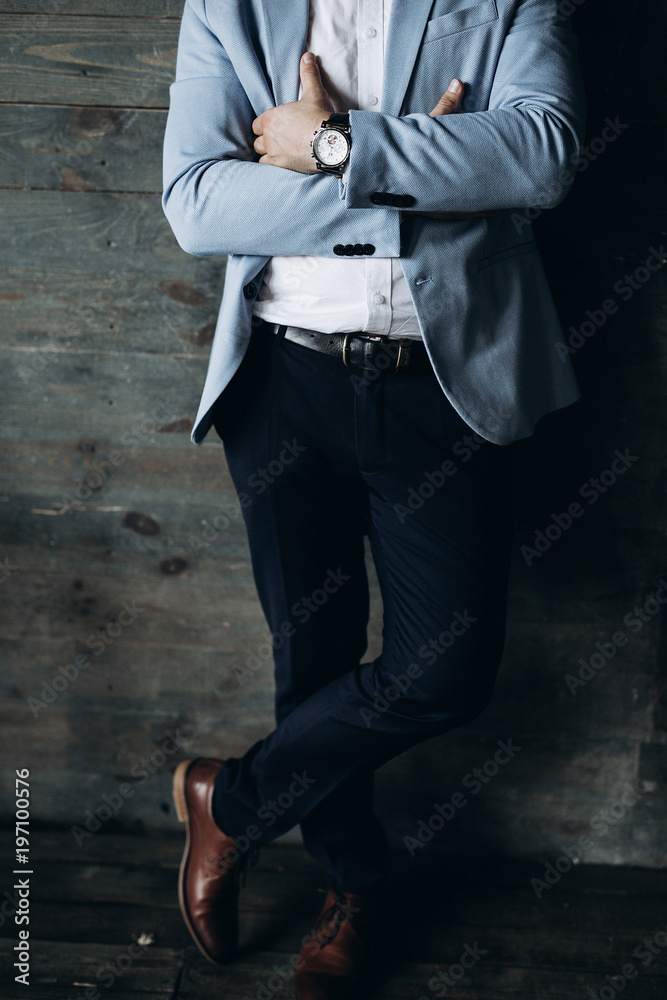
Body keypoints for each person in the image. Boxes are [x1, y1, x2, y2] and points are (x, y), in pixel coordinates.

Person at [162, 1, 585, 996]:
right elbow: (196, 206)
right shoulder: (226, 9)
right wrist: (417, 171)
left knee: (444, 669)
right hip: (282, 386)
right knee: (310, 657)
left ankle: (231, 800)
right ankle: (351, 883)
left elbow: (544, 152)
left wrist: (330, 145)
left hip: (441, 383)